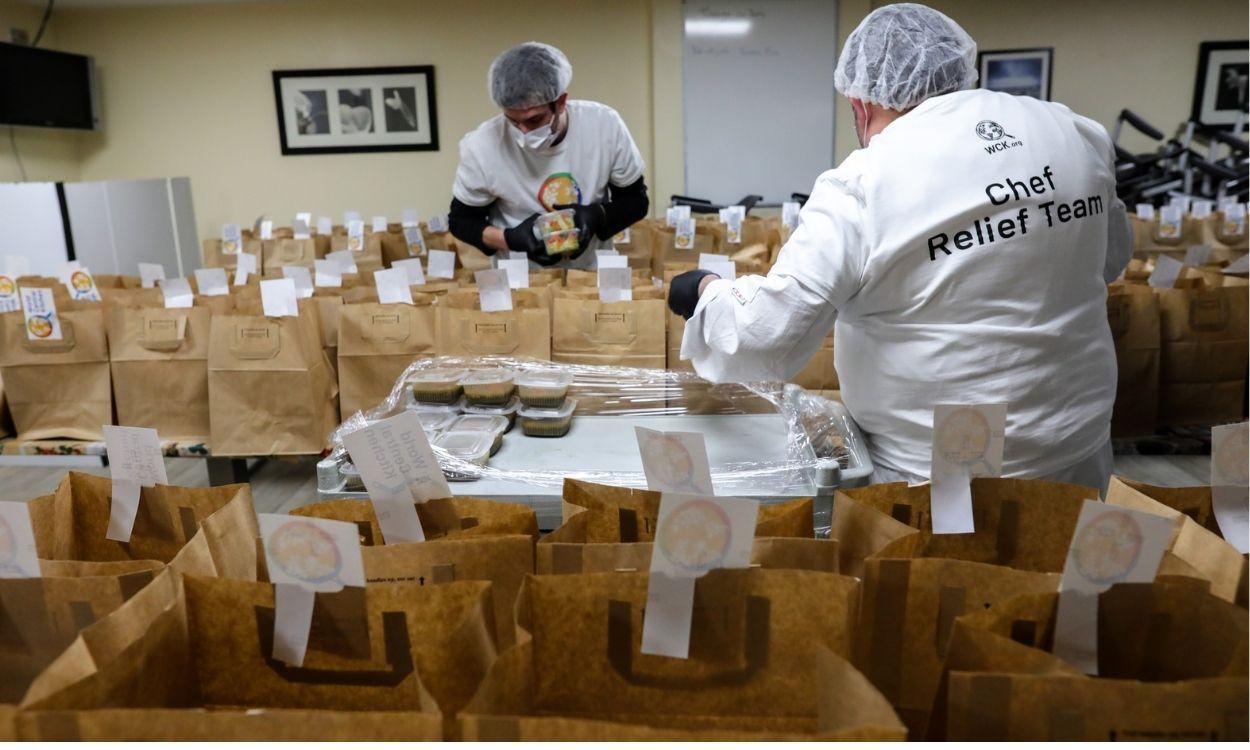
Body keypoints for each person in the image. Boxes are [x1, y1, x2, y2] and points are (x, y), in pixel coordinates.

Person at [667, 3, 1131, 493]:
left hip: (940, 475)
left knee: (954, 573)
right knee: (1057, 567)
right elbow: (1110, 258)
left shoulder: (866, 181)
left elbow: (766, 339)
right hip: (1077, 452)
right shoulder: (1073, 131)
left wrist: (709, 291)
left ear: (860, 105)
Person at [448, 42, 649, 268]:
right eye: (513, 121)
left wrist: (596, 216)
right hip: (519, 279)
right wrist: (511, 238)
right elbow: (461, 221)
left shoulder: (604, 126)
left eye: (534, 120)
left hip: (589, 275)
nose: (523, 132)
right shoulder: (482, 146)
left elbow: (636, 201)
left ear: (561, 102)